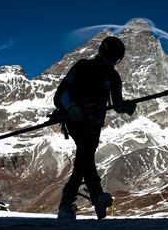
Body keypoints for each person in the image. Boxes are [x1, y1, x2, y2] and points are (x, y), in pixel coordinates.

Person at [54, 36, 136, 219]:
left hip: (95, 123)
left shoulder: (114, 77)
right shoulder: (82, 67)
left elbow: (117, 103)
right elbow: (60, 93)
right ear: (101, 52)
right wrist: (71, 107)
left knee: (85, 157)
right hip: (75, 120)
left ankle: (76, 203)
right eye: (108, 57)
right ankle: (78, 202)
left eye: (114, 60)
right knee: (85, 153)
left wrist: (126, 107)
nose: (110, 62)